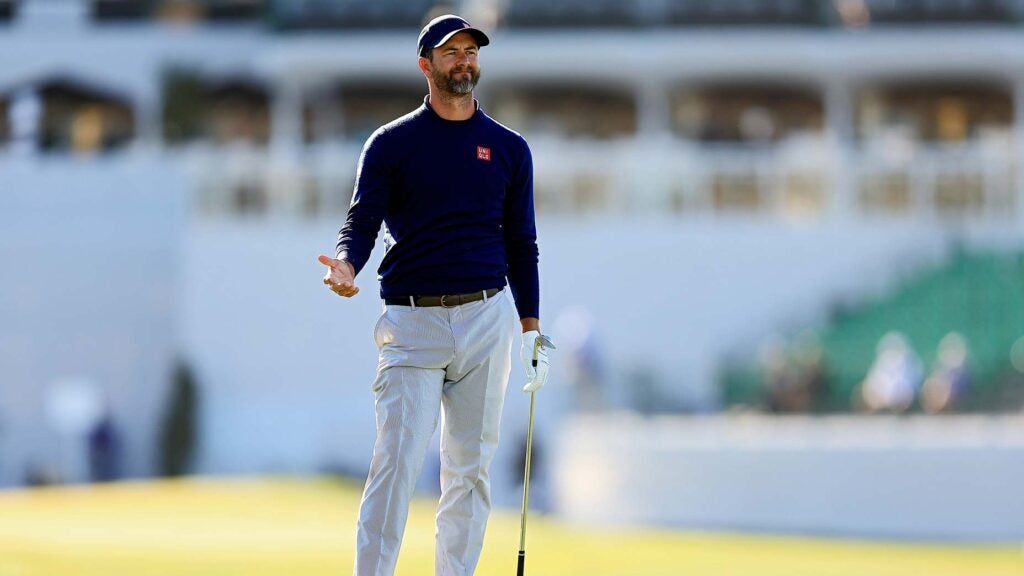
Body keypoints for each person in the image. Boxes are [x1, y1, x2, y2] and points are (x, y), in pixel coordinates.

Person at [317, 14, 552, 576]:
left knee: (469, 470)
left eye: (471, 51)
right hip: (412, 323)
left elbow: (523, 243)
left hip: (486, 319)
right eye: (451, 53)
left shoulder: (509, 149)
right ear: (427, 65)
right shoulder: (391, 144)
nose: (463, 61)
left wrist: (531, 328)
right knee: (396, 463)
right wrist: (347, 264)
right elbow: (363, 220)